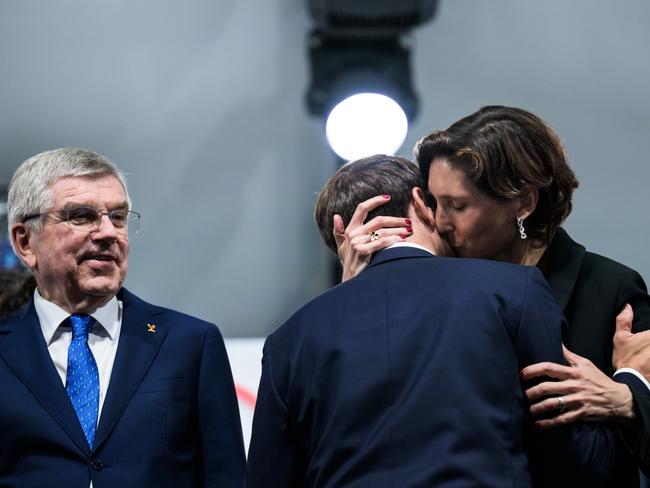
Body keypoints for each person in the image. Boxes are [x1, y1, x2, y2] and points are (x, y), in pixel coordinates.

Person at [246, 154, 632, 487]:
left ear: (340, 239)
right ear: (421, 201)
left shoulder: (290, 338)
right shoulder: (513, 290)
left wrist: (347, 294)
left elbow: (269, 480)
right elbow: (572, 459)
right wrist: (632, 383)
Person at [337, 106, 650, 485]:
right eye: (435, 203)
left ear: (523, 203)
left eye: (458, 205)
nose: (440, 221)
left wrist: (629, 400)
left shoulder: (609, 288)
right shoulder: (433, 281)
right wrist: (356, 287)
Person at [0, 148, 245, 487]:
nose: (108, 233)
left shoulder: (190, 344)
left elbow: (226, 478)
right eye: (81, 216)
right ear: (25, 241)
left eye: (117, 217)